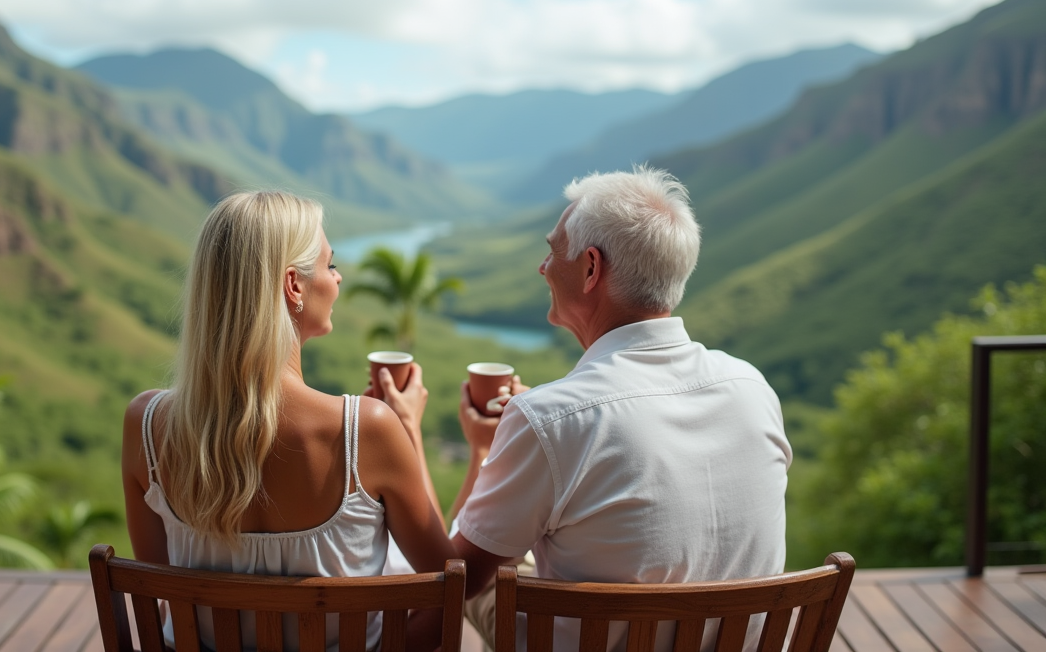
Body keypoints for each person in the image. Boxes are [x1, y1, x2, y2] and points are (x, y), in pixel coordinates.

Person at [439, 166, 793, 652]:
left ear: (590, 269)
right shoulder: (753, 387)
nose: (543, 266)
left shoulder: (550, 418)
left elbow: (458, 578)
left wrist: (484, 451)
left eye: (552, 250)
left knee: (481, 571)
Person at [121, 191, 454, 651]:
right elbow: (448, 595)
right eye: (331, 264)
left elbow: (162, 593)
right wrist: (407, 430)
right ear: (293, 285)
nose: (337, 280)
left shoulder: (146, 426)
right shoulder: (366, 431)